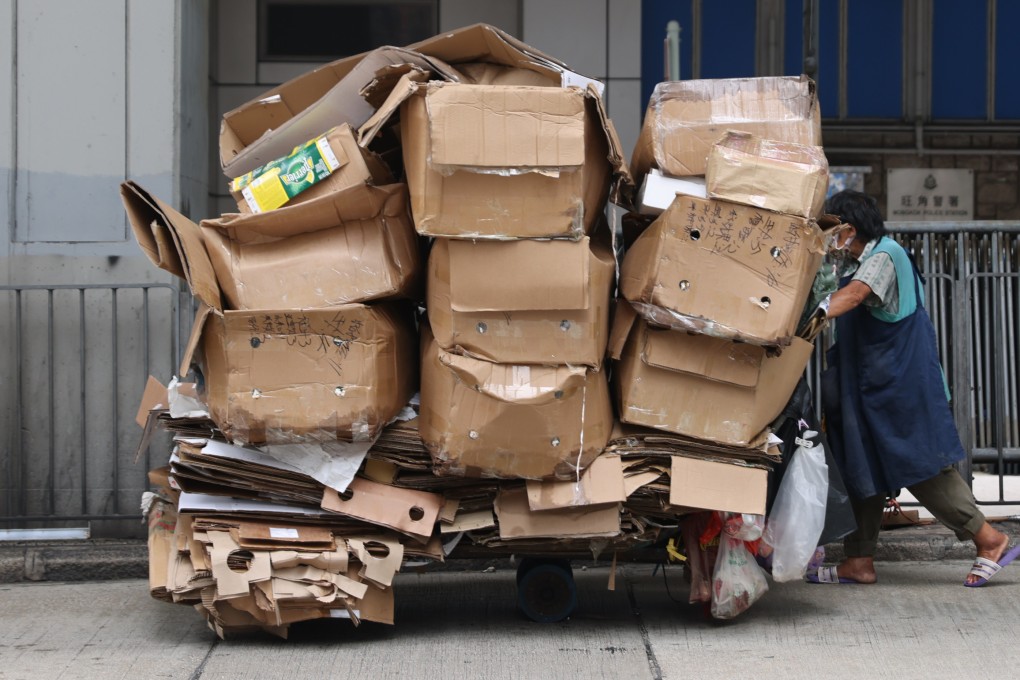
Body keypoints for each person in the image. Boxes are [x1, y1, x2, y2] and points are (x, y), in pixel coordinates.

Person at [809, 189, 1017, 587]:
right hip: (869, 389)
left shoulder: (885, 256)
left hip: (901, 386)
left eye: (831, 230)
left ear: (849, 229)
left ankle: (989, 538)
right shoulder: (854, 264)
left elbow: (853, 298)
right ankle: (859, 560)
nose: (828, 239)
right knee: (861, 463)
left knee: (918, 464)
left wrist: (801, 317)